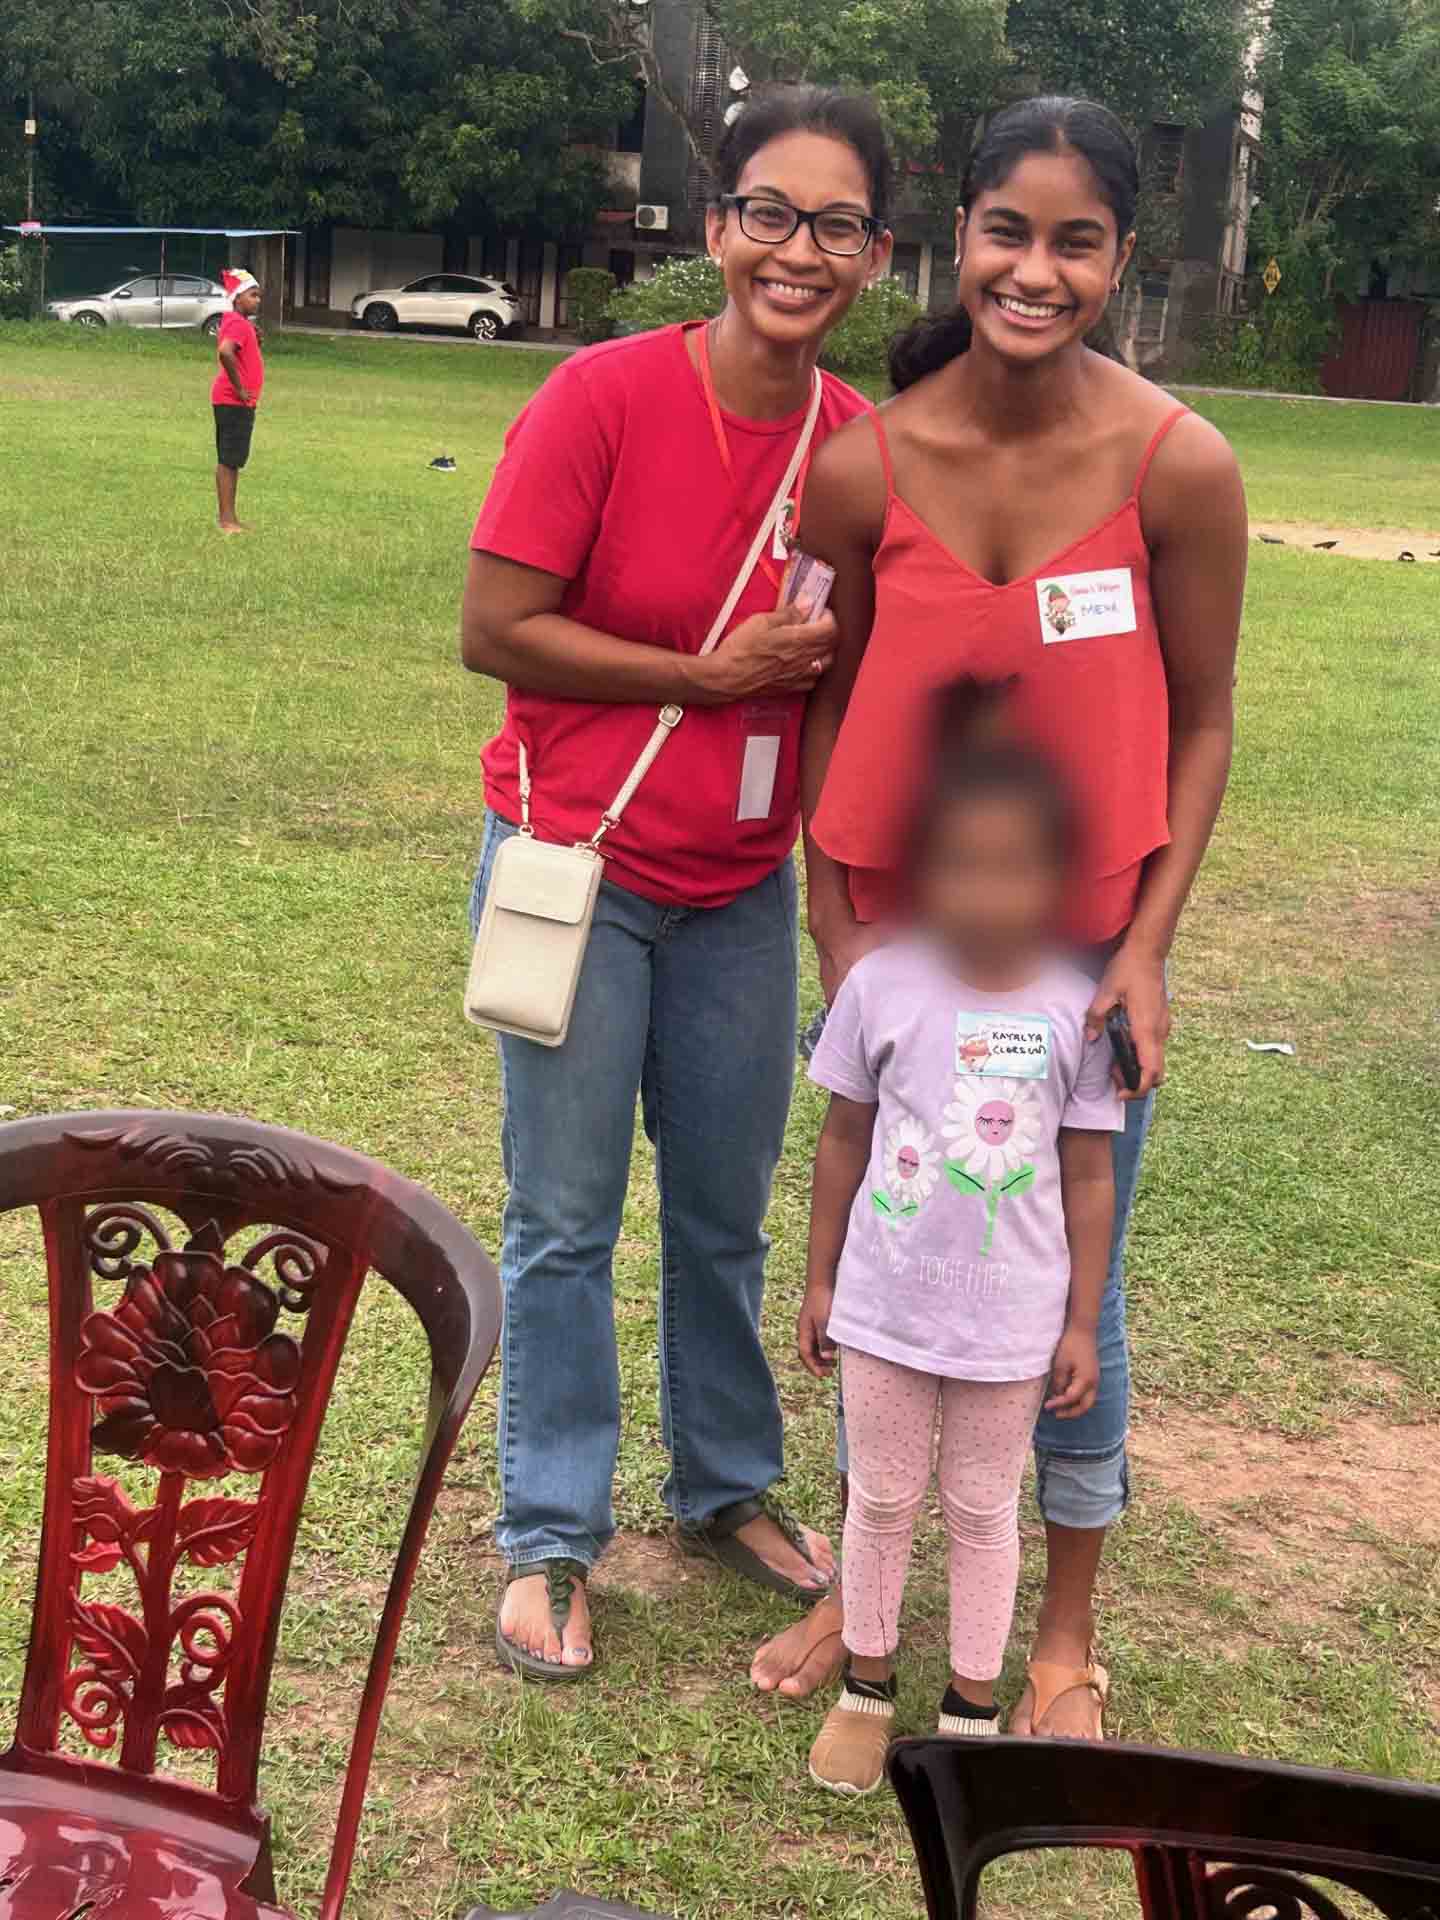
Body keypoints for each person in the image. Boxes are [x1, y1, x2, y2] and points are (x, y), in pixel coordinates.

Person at [751, 96, 1248, 1736]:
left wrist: (1149, 950)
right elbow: (821, 703)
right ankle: (862, 1594)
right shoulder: (861, 466)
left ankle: (1063, 1635)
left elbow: (1202, 722)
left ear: (1123, 260)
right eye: (1008, 233)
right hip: (898, 961)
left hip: (1080, 977)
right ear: (957, 239)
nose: (1036, 272)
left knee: (1071, 1293)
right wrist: (835, 927)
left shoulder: (1180, 467)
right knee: (889, 1273)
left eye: (1075, 242)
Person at [459, 87, 896, 1679]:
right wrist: (704, 679)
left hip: (741, 889)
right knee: (565, 1218)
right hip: (577, 867)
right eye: (769, 212)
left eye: (836, 225)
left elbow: (868, 679)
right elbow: (496, 628)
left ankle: (724, 1487)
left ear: (876, 257)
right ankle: (550, 1536)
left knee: (722, 1213)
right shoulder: (602, 396)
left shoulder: (863, 448)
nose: (797, 250)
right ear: (716, 229)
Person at [803, 681, 1123, 1795]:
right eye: (961, 866)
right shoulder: (880, 988)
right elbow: (843, 1138)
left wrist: (1079, 1322)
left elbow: (1090, 1173)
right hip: (886, 1308)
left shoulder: (1075, 1010)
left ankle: (971, 1709)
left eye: (1014, 868)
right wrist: (821, 1280)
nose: (987, 893)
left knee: (983, 1510)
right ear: (923, 874)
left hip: (1011, 1327)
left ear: (1058, 880)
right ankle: (867, 1687)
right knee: (882, 1497)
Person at [212, 268, 264, 534]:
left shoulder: (241, 324)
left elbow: (240, 353)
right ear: (237, 297)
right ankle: (226, 520)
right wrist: (240, 388)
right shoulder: (237, 322)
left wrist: (255, 339)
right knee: (228, 461)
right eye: (252, 295)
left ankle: (232, 517)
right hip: (233, 401)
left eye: (258, 295)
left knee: (233, 461)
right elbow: (225, 352)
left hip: (238, 403)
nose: (257, 300)